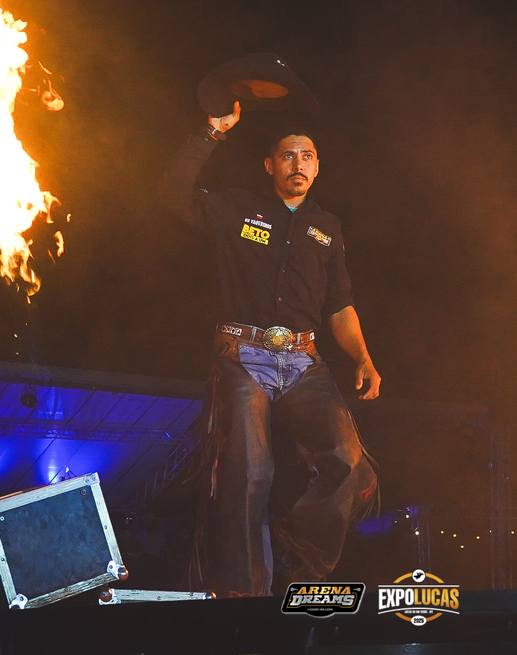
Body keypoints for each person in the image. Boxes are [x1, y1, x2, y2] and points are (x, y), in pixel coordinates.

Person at [161, 100, 380, 598]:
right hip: (242, 356)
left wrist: (363, 357)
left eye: (307, 156)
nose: (298, 163)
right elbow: (172, 194)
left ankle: (294, 555)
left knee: (349, 462)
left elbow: (340, 304)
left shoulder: (327, 227)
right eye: (288, 155)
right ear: (270, 165)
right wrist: (211, 133)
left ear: (317, 166)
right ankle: (246, 597)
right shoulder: (236, 208)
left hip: (305, 361)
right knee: (249, 475)